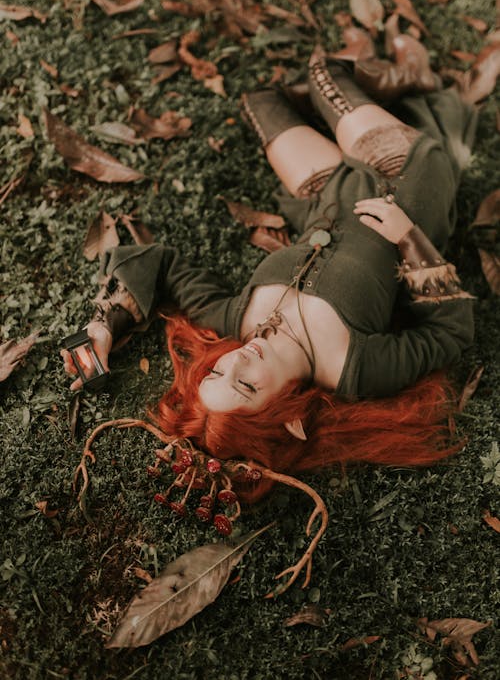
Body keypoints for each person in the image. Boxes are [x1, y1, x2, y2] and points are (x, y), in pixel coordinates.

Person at [62, 45, 478, 502]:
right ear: (287, 416)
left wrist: (104, 324)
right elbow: (451, 332)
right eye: (245, 384)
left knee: (261, 102)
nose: (238, 359)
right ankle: (410, 78)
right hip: (405, 179)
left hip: (326, 191)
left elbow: (161, 263)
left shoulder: (234, 322)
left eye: (217, 373)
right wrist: (410, 239)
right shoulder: (356, 368)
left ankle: (365, 110)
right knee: (324, 71)